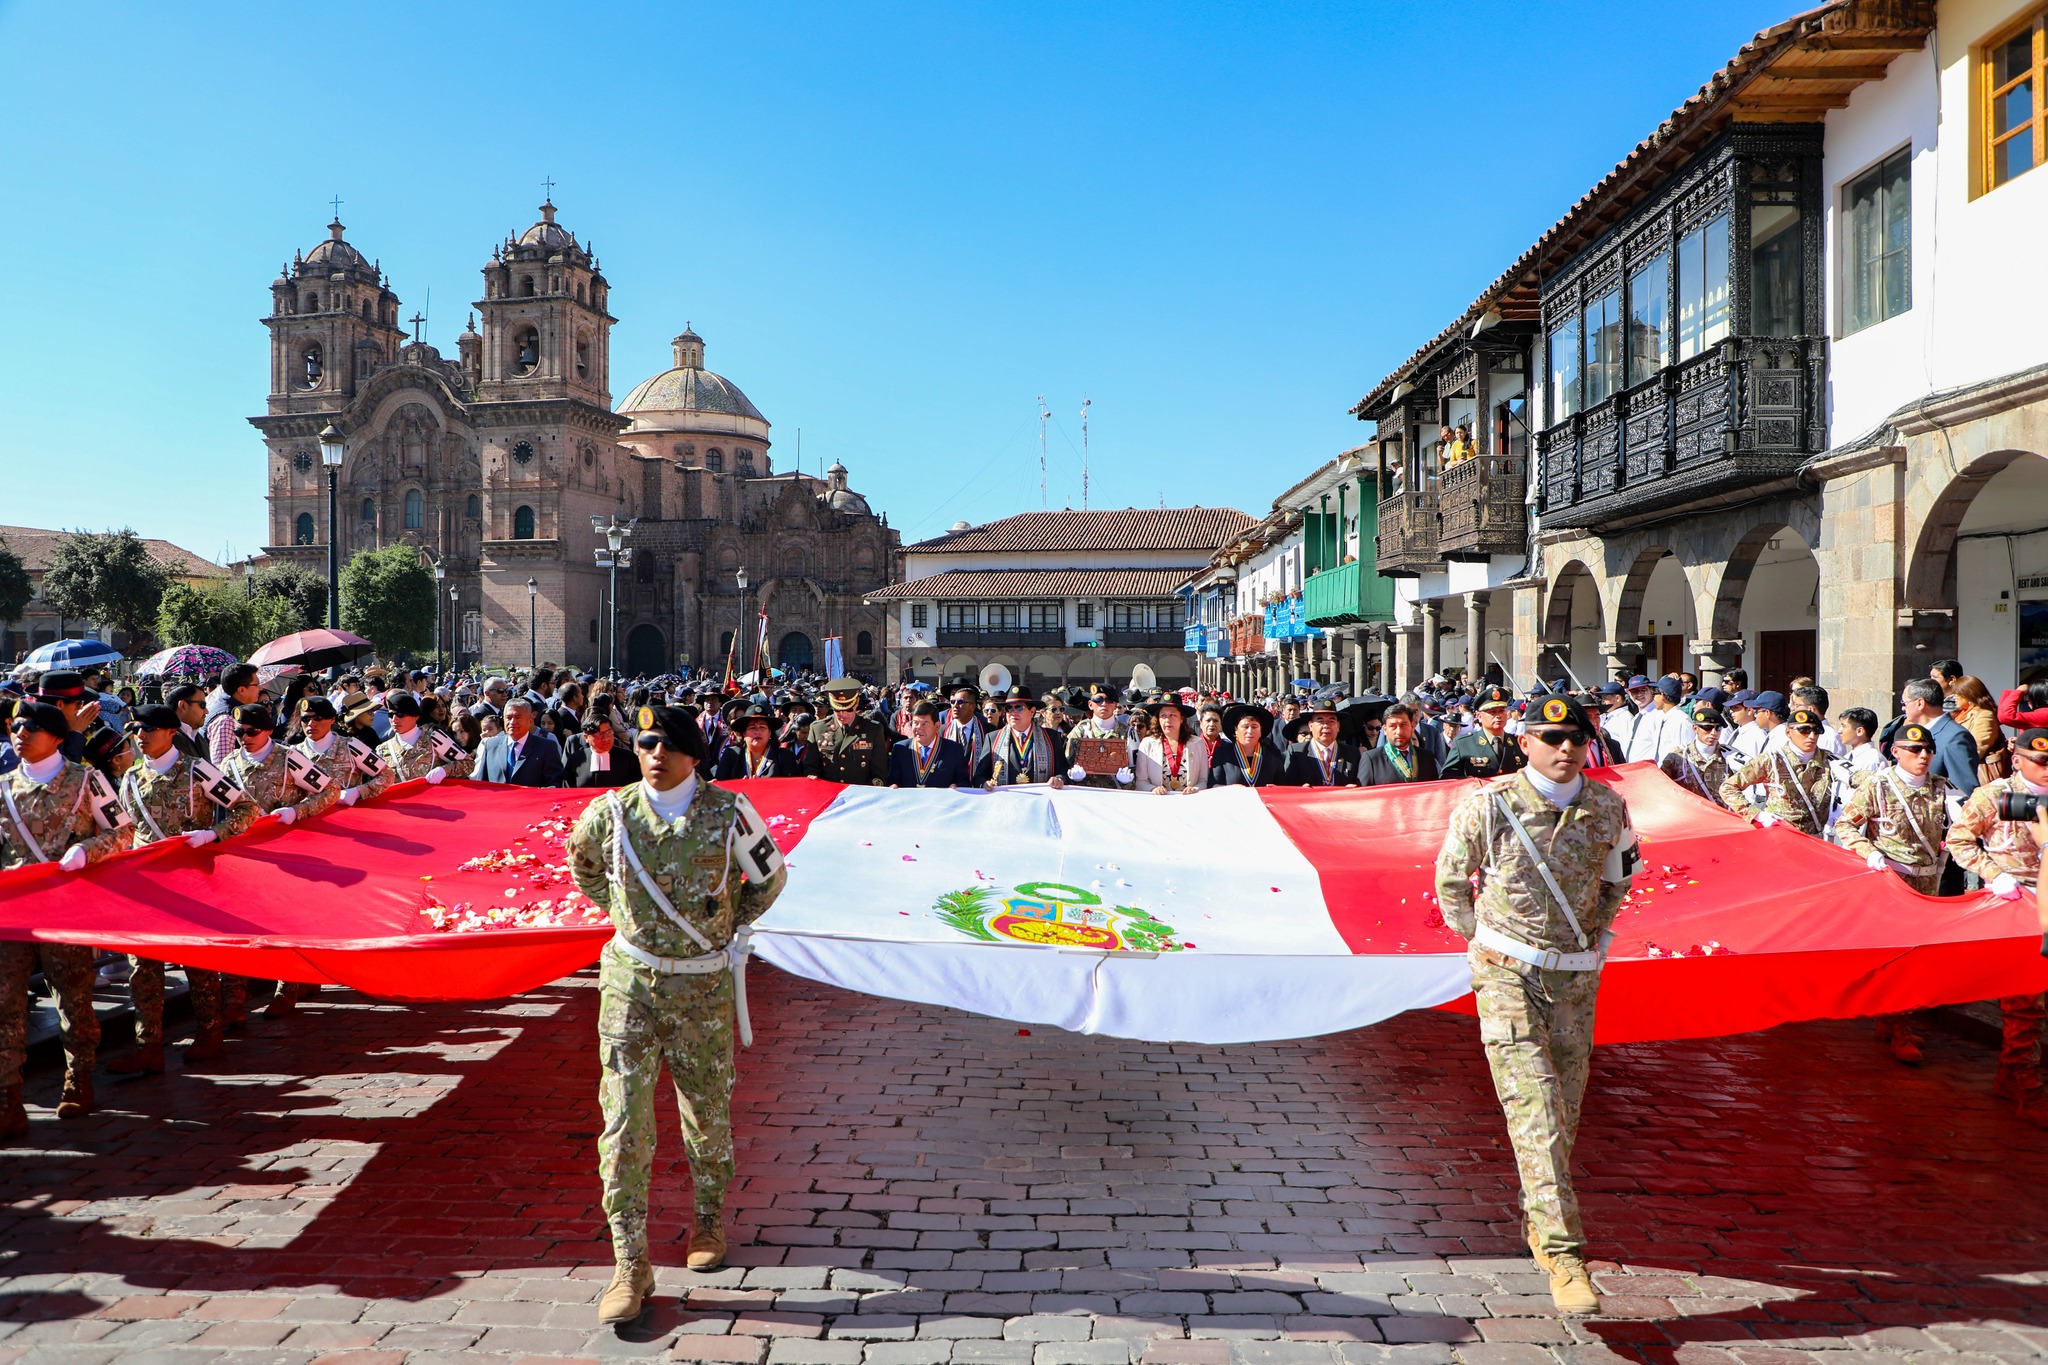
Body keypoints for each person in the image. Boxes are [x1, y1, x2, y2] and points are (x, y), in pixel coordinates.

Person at [564, 704, 788, 1320]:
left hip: (702, 993)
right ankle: (629, 1265)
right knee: (624, 1122)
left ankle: (709, 1220)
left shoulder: (730, 813)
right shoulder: (609, 812)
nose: (654, 754)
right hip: (630, 987)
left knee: (707, 1113)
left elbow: (769, 880)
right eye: (645, 744)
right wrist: (628, 917)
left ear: (694, 753)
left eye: (667, 744)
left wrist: (723, 928)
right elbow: (581, 865)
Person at [1434, 692, 1636, 1316]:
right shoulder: (1490, 806)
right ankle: (1564, 1253)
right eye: (1551, 740)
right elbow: (1450, 878)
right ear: (1525, 743)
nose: (1566, 750)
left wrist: (1596, 939)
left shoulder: (1606, 806)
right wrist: (1482, 944)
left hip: (1575, 979)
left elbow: (1619, 876)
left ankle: (1536, 1212)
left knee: (1565, 1111)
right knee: (1538, 1106)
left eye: (1576, 739)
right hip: (1506, 976)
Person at [0, 701, 126, 1134]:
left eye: (30, 727)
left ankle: (79, 1079)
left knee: (73, 999)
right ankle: (8, 1101)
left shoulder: (86, 780)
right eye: (15, 726)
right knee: (5, 1006)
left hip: (67, 909)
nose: (20, 733)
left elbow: (122, 832)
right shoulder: (2, 787)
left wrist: (87, 850)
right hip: (14, 915)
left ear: (55, 736)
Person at [109, 705, 256, 1070]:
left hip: (193, 880)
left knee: (197, 961)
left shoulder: (197, 770)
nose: (140, 737)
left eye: (148, 729)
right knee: (143, 965)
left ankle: (209, 1032)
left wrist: (212, 834)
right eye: (136, 731)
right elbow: (125, 832)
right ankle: (149, 1045)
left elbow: (246, 810)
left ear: (171, 732)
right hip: (149, 885)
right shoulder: (131, 777)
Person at [1944, 727, 2048, 1127]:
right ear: (2017, 759)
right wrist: (1994, 874)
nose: (2045, 769)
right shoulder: (1993, 795)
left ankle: (2010, 1073)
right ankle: (2026, 1084)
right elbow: (1960, 839)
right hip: (2015, 902)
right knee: (2025, 1001)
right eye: (2038, 761)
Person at [1834, 722, 1952, 1066]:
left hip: (1928, 883)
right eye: (1915, 750)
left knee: (1916, 956)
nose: (1923, 756)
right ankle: (1899, 1029)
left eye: (1928, 750)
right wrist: (1866, 850)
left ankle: (1889, 1017)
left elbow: (1956, 827)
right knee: (1901, 956)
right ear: (1896, 752)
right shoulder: (1879, 786)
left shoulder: (1940, 788)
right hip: (1891, 882)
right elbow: (1845, 824)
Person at [1719, 704, 1833, 836]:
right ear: (1788, 732)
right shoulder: (1771, 760)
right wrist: (1757, 815)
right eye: (1804, 730)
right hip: (1780, 836)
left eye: (1816, 731)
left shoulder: (1830, 761)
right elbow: (1728, 788)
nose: (1812, 736)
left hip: (1815, 838)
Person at [1894, 678, 1979, 800]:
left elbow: (1963, 790)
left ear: (1920, 703)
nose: (1903, 708)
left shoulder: (1955, 737)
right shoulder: (1918, 731)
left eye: (1904, 703)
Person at [973, 687, 1067, 788]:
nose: (1013, 712)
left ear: (1032, 711)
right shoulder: (992, 738)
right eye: (1009, 708)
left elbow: (1064, 771)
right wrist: (985, 783)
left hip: (1039, 800)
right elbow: (979, 776)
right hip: (1006, 800)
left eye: (1019, 707)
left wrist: (1059, 779)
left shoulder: (1051, 737)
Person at [805, 678, 891, 786]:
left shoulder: (873, 729)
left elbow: (879, 771)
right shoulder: (818, 728)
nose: (843, 714)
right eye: (837, 709)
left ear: (856, 703)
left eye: (849, 709)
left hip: (861, 796)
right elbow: (810, 767)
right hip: (829, 795)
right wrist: (813, 777)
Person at [377, 691, 471, 783]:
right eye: (390, 715)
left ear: (415, 716)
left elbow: (468, 763)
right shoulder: (383, 749)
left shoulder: (435, 738)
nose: (394, 719)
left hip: (432, 796)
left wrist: (444, 771)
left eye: (400, 715)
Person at [1442, 686, 1526, 780]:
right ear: (1479, 716)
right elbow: (1448, 778)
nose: (1498, 716)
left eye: (1502, 711)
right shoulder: (1463, 744)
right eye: (1493, 712)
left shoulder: (1518, 743)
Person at [476, 699, 565, 787]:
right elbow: (482, 784)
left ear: (530, 721)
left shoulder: (546, 747)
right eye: (509, 718)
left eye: (518, 717)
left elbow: (555, 782)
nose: (512, 722)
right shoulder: (491, 745)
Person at [1132, 694, 1208, 793]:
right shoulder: (1147, 744)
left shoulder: (1197, 743)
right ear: (1158, 719)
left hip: (1189, 801)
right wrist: (1153, 789)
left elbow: (1203, 780)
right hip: (1158, 801)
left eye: (1173, 715)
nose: (1167, 720)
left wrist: (1195, 789)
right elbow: (1141, 782)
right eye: (1163, 716)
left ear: (1182, 719)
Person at [889, 700, 973, 788]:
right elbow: (892, 780)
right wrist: (893, 786)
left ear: (937, 726)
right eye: (915, 723)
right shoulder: (900, 749)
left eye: (924, 724)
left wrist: (956, 786)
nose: (919, 728)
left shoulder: (954, 749)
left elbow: (964, 782)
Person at [1658, 706, 1732, 807]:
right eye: (1707, 728)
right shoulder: (1678, 757)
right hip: (1690, 816)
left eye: (1718, 728)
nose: (1713, 733)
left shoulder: (1730, 756)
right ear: (1695, 728)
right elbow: (1661, 788)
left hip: (1722, 818)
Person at [1065, 684, 1134, 790]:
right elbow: (1067, 762)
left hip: (1116, 793)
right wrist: (1074, 778)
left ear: (1116, 705)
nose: (1104, 704)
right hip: (1085, 792)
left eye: (1109, 700)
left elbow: (1137, 767)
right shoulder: (1081, 730)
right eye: (1098, 700)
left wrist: (1127, 782)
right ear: (1090, 704)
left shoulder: (1128, 732)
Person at [1280, 698, 1359, 787]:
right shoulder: (1297, 752)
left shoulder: (1352, 753)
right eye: (1320, 721)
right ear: (1310, 725)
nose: (1326, 726)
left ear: (1338, 726)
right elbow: (1287, 785)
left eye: (1331, 721)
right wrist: (1300, 790)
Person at [1359, 701, 1440, 786]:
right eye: (1393, 726)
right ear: (1385, 730)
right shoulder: (1372, 759)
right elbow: (1363, 795)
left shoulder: (1427, 757)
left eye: (1403, 725)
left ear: (1412, 727)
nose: (1399, 732)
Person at [713, 704, 802, 780]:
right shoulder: (731, 754)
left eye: (762, 727)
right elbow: (721, 786)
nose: (757, 732)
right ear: (744, 733)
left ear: (770, 733)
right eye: (752, 728)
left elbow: (792, 787)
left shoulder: (785, 756)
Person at [1207, 704, 1287, 787]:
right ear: (1236, 730)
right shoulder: (1222, 753)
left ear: (1260, 731)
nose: (1250, 731)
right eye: (1245, 727)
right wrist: (1230, 789)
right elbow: (1213, 785)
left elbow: (1283, 786)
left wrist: (1276, 788)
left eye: (1254, 727)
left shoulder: (1273, 754)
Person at [1952, 676, 2009, 784]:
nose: (1954, 697)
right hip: (1962, 770)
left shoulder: (1984, 715)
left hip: (1977, 776)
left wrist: (1954, 763)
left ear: (1969, 695)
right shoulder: (1959, 714)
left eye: (1957, 693)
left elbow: (1977, 748)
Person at [565, 715, 640, 788]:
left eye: (609, 732)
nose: (606, 738)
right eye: (600, 734)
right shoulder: (576, 760)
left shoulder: (628, 758)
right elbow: (568, 791)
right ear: (586, 737)